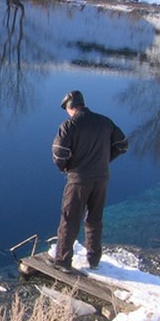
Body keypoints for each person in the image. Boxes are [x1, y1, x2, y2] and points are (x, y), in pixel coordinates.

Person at [51, 90, 128, 271]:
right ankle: (93, 260)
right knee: (94, 219)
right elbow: (123, 144)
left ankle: (62, 261)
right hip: (101, 178)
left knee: (69, 220)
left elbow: (59, 153)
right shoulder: (105, 122)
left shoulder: (69, 125)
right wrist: (105, 159)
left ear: (70, 107)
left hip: (78, 179)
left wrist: (66, 167)